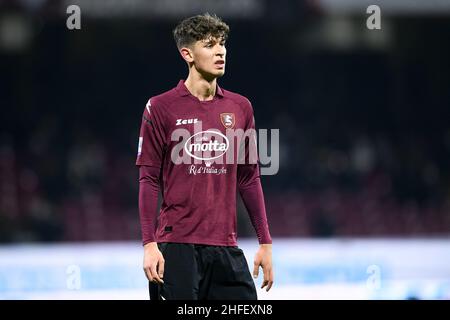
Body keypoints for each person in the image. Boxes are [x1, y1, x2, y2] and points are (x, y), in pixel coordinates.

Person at [136, 13, 273, 300]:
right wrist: (150, 244)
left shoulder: (240, 107)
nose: (220, 51)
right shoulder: (160, 107)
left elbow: (249, 179)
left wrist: (265, 243)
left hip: (226, 248)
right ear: (187, 53)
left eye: (222, 44)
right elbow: (148, 179)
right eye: (209, 45)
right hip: (176, 247)